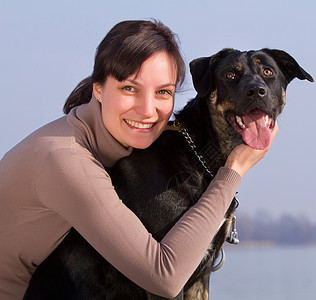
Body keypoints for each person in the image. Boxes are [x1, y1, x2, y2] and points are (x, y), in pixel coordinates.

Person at [0, 20, 278, 299]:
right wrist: (233, 171)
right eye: (130, 89)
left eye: (163, 92)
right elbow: (164, 277)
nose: (148, 110)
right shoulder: (65, 159)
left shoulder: (108, 144)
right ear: (98, 88)